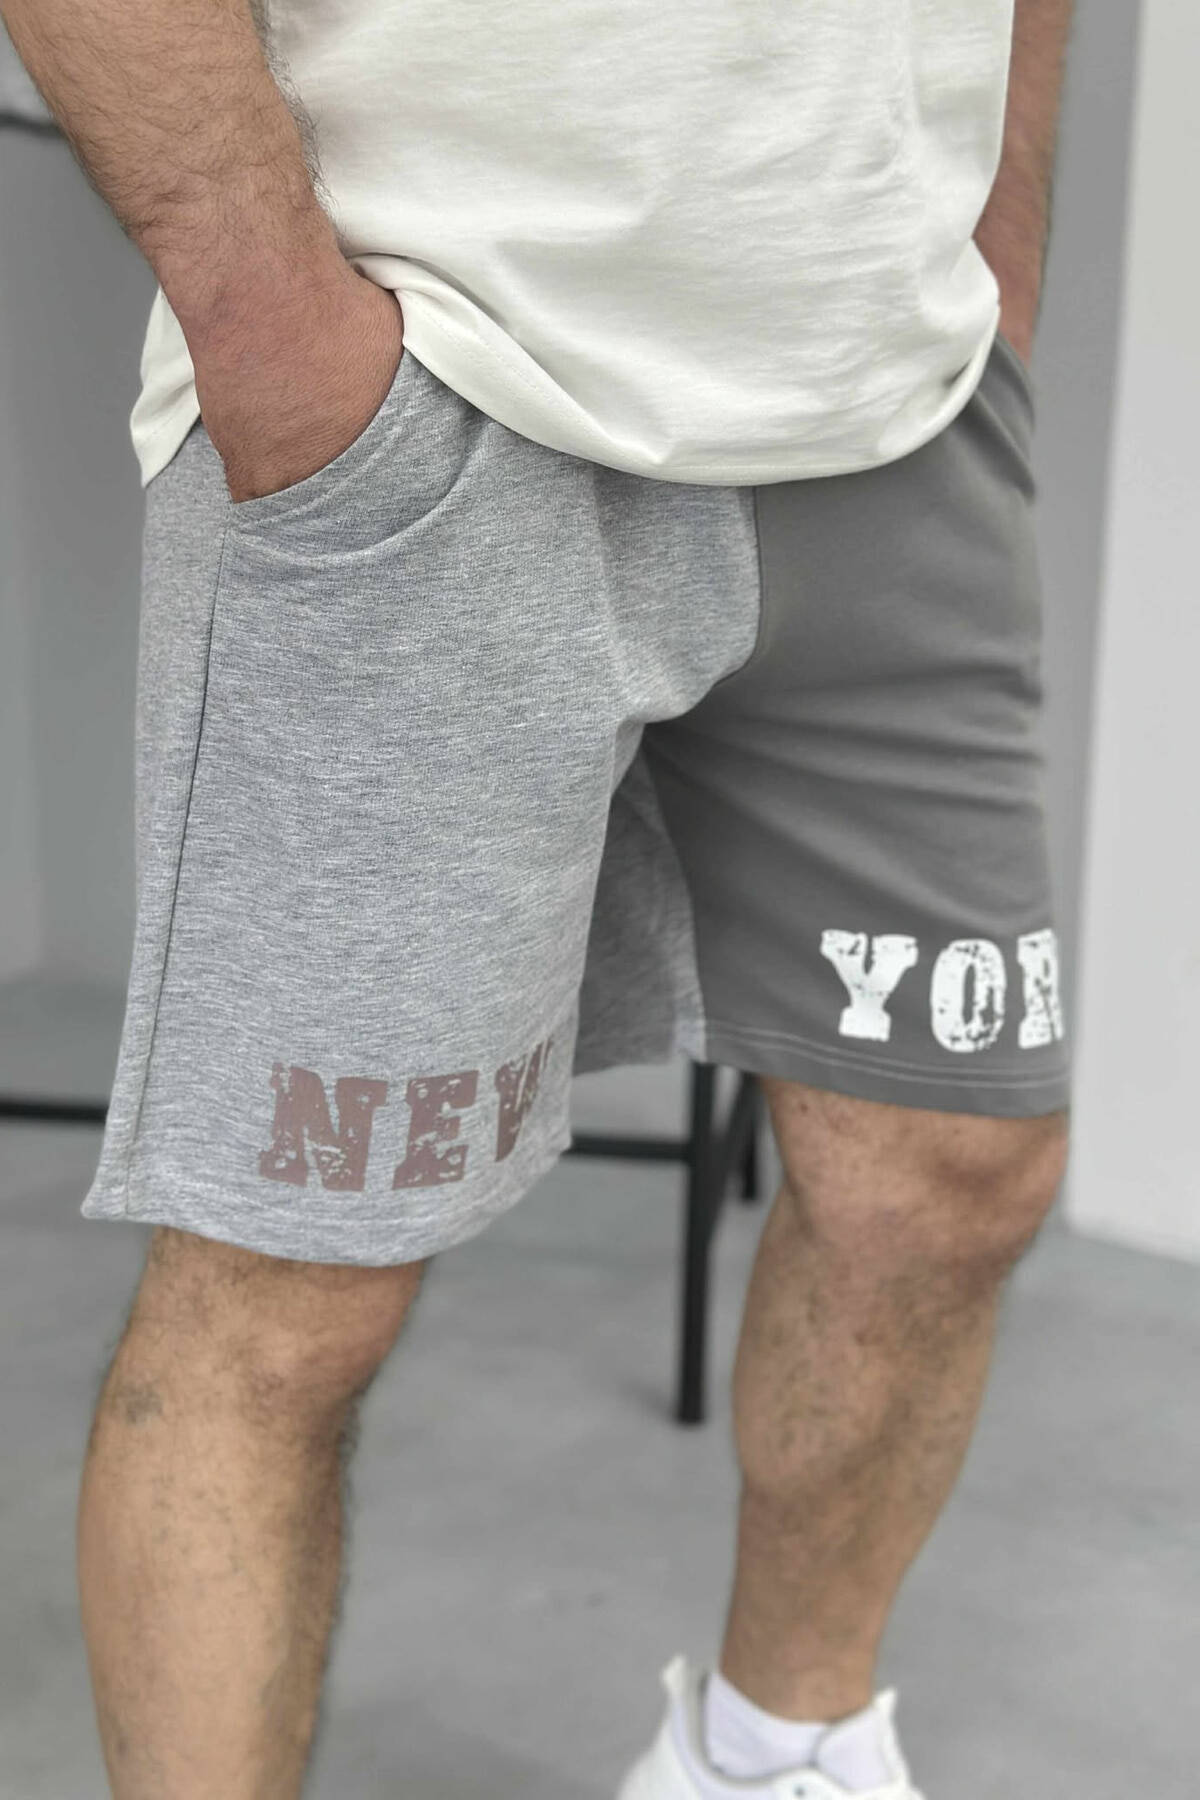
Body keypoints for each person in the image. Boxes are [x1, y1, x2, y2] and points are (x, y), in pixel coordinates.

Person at [2, 0, 1075, 1793]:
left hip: (901, 391)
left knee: (946, 1174)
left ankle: (770, 1761)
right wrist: (270, 321)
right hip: (443, 367)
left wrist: (998, 239)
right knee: (290, 1277)